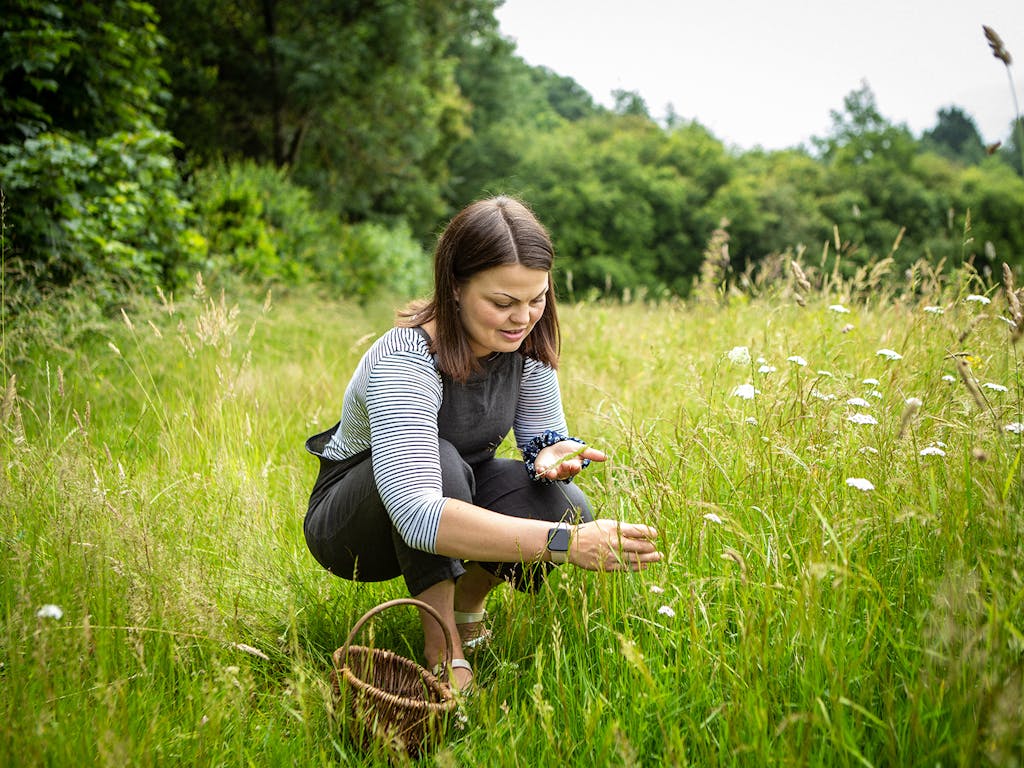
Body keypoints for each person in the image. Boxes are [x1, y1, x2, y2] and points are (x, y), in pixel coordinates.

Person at [304, 196, 662, 690]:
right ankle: (441, 644)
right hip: (355, 523)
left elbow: (541, 433)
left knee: (563, 503)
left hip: (457, 486)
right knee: (444, 462)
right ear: (454, 287)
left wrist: (550, 453)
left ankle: (468, 606)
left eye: (536, 298)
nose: (524, 317)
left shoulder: (526, 346)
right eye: (502, 303)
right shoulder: (406, 355)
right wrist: (569, 545)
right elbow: (416, 510)